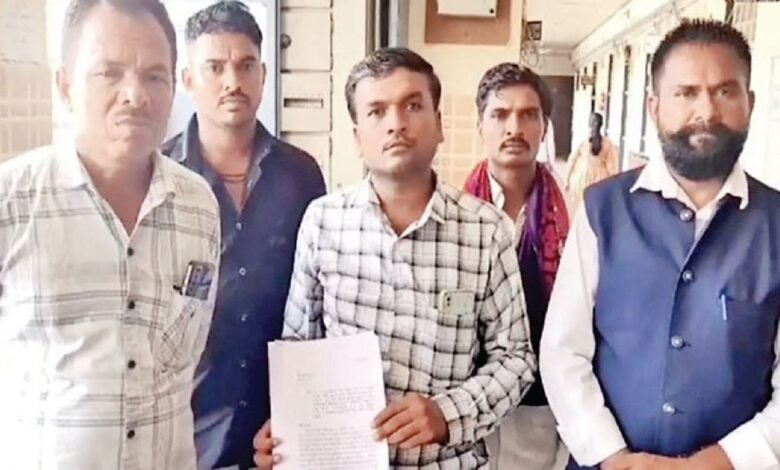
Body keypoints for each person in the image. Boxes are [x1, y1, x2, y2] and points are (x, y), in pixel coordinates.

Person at [252, 47, 536, 469]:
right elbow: (299, 348)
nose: (396, 123)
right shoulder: (323, 222)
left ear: (439, 124)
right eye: (377, 111)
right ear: (357, 137)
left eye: (413, 106)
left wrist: (447, 414)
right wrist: (288, 430)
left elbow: (516, 359)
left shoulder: (487, 230)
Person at [541, 19, 780, 470]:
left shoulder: (775, 224)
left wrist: (719, 462)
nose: (705, 111)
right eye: (685, 93)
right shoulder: (603, 210)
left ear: (749, 103)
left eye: (724, 91)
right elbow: (562, 350)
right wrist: (612, 456)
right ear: (654, 107)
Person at [0, 0, 221, 468]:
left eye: (155, 76)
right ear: (65, 86)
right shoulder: (11, 203)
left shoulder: (199, 206)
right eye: (109, 73)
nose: (135, 95)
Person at [161, 2, 326, 469]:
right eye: (214, 67)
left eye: (246, 65)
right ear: (188, 80)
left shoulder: (301, 175)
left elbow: (320, 295)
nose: (232, 81)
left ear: (263, 75)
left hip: (280, 429)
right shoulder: (160, 177)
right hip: (188, 431)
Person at [463, 63, 569, 470]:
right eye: (500, 114)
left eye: (528, 115)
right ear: (480, 125)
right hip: (467, 405)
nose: (514, 128)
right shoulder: (454, 216)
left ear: (544, 127)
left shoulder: (574, 216)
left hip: (540, 407)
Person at [564, 112, 619, 211]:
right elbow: (612, 168)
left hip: (582, 180)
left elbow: (572, 160)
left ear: (589, 124)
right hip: (600, 182)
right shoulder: (608, 144)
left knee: (583, 209)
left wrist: (567, 180)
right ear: (601, 125)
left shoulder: (583, 141)